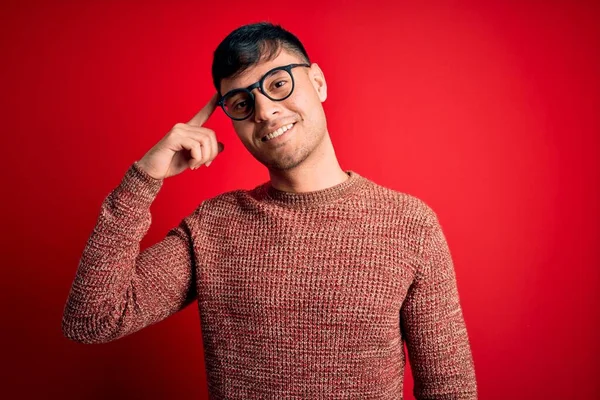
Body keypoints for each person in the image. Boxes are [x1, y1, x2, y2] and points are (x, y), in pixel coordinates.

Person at [62, 22, 478, 399]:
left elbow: (449, 387)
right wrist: (144, 178)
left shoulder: (410, 224)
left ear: (317, 81)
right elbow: (94, 319)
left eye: (278, 84)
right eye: (242, 103)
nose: (264, 111)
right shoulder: (214, 227)